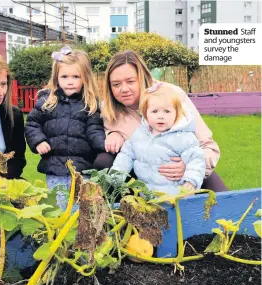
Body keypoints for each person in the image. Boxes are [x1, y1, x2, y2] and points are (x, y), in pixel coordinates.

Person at [95, 50, 228, 192]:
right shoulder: (110, 110)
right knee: (104, 160)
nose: (124, 89)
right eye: (116, 84)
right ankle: (126, 207)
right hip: (144, 176)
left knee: (218, 191)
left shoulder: (171, 96)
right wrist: (113, 133)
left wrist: (187, 165)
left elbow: (209, 146)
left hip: (182, 171)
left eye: (131, 81)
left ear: (142, 77)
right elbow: (125, 148)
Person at [25, 46, 106, 208]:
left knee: (82, 209)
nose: (70, 81)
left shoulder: (89, 105)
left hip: (82, 170)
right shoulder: (47, 102)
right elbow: (32, 124)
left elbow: (94, 130)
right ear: (57, 78)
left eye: (76, 76)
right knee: (59, 208)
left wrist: (104, 143)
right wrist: (39, 141)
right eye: (65, 76)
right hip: (55, 169)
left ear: (85, 78)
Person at [111, 82, 206, 195]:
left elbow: (196, 159)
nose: (160, 116)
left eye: (167, 111)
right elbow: (126, 154)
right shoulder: (140, 135)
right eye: (154, 111)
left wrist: (191, 181)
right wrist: (116, 176)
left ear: (177, 113)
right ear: (146, 114)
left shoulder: (183, 137)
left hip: (175, 195)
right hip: (146, 194)